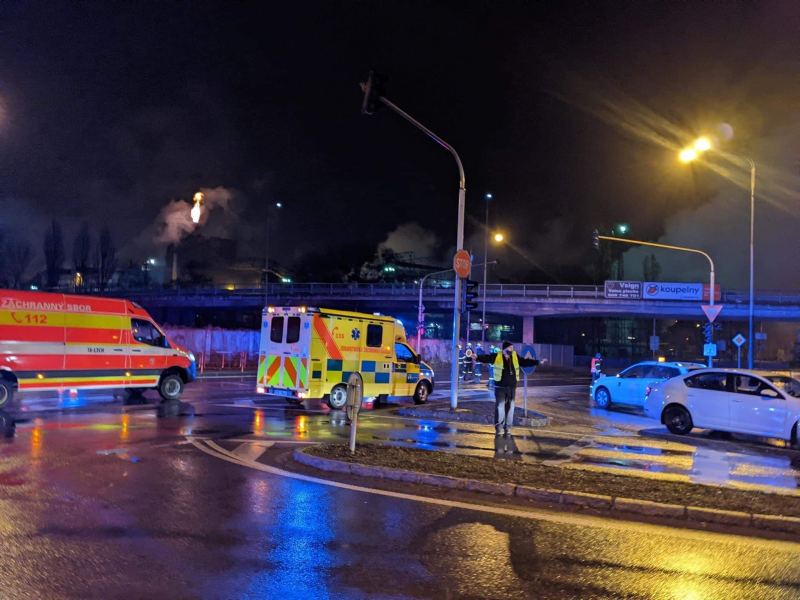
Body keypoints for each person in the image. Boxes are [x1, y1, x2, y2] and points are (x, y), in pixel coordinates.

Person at [477, 341, 541, 437]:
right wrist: (477, 357)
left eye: (512, 348)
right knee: (500, 408)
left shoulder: (514, 356)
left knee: (510, 408)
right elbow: (487, 358)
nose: (512, 350)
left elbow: (524, 362)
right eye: (510, 348)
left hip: (511, 387)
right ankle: (499, 428)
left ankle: (508, 428)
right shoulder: (497, 356)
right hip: (500, 387)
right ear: (505, 349)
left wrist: (537, 362)